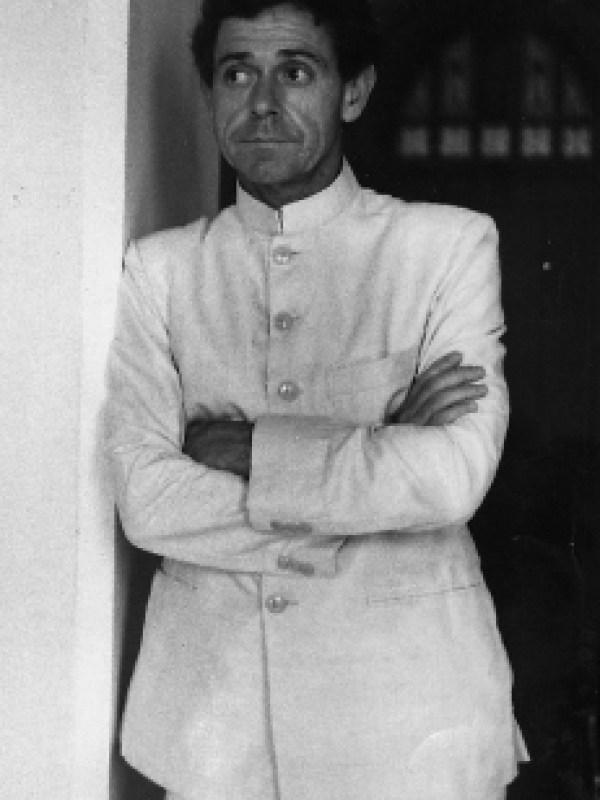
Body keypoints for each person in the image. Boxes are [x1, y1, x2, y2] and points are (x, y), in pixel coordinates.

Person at [105, 1, 528, 797]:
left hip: (407, 724)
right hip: (215, 729)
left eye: (295, 72)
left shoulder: (444, 247)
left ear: (353, 92)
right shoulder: (159, 271)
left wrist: (252, 451)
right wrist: (380, 455)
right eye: (237, 74)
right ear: (211, 94)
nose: (262, 104)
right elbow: (148, 501)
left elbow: (451, 480)